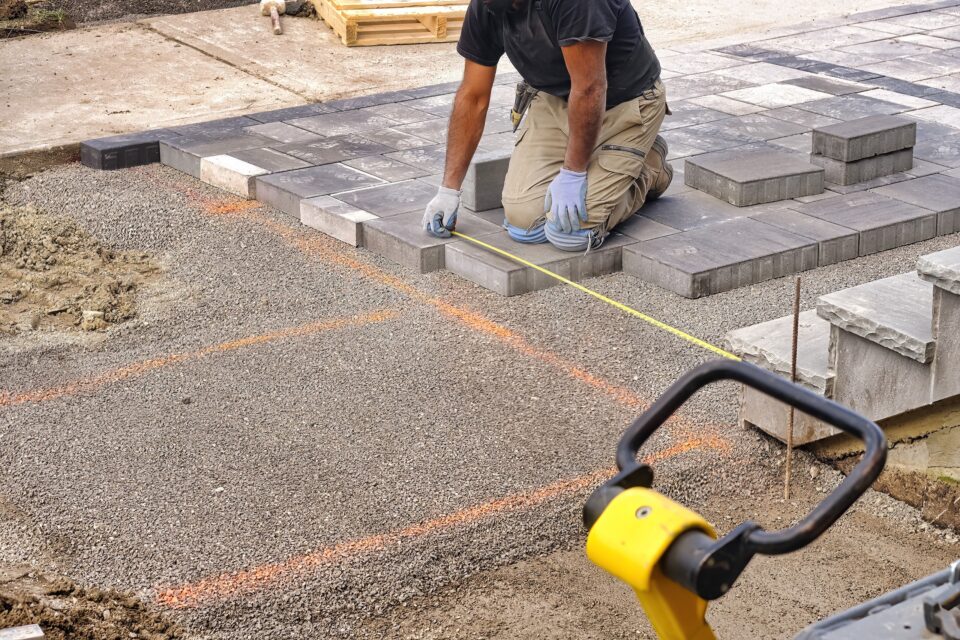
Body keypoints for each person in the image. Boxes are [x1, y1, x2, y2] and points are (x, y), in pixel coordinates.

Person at [422, 0, 672, 252]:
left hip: (625, 103)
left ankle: (650, 166)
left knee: (571, 234)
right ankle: (609, 161)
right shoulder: (488, 5)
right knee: (525, 227)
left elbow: (589, 89)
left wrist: (572, 174)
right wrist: (449, 190)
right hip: (555, 101)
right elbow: (473, 96)